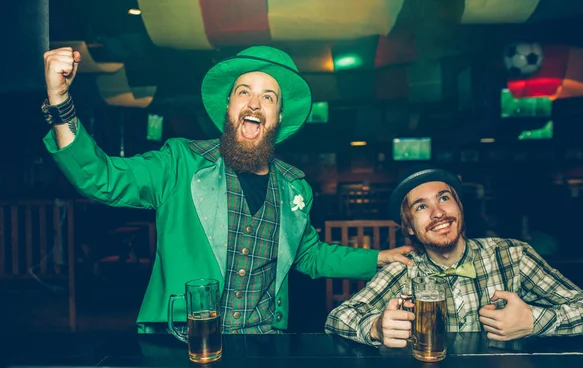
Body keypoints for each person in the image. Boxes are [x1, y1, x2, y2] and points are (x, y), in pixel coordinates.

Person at [41, 45, 414, 334]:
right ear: (229, 106)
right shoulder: (180, 162)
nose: (254, 103)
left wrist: (378, 258)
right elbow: (101, 178)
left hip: (263, 343)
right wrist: (60, 102)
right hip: (181, 341)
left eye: (268, 97)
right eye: (244, 92)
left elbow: (310, 255)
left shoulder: (293, 187)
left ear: (279, 116)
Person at [325, 164, 583, 347]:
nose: (438, 213)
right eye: (421, 207)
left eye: (444, 198)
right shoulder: (403, 270)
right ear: (408, 227)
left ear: (460, 206)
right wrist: (375, 328)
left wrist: (534, 321)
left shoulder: (511, 256)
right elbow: (337, 319)